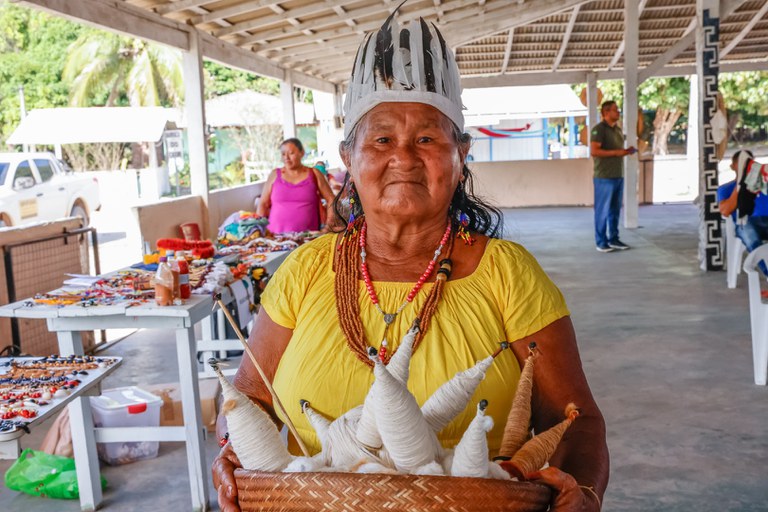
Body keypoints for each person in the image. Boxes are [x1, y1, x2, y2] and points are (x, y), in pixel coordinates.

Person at [213, 10, 607, 512]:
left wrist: (585, 492)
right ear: (349, 158)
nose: (403, 156)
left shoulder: (508, 273)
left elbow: (576, 420)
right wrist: (232, 449)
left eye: (427, 138)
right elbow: (252, 401)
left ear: (460, 155)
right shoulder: (306, 270)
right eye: (381, 139)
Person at [256, 138, 336, 233]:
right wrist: (257, 230)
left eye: (291, 153)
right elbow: (263, 204)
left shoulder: (314, 174)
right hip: (275, 239)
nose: (286, 157)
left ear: (301, 153)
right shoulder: (274, 175)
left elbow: (331, 199)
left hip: (307, 239)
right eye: (283, 154)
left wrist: (328, 226)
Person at [590, 100, 636, 253]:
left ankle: (614, 238)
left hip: (617, 174)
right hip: (604, 176)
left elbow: (618, 150)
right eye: (615, 110)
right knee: (602, 210)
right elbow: (595, 151)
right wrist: (618, 153)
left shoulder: (617, 130)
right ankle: (601, 241)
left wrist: (625, 151)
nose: (618, 112)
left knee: (614, 210)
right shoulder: (598, 130)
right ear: (606, 112)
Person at [718, 149, 768, 275]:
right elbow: (725, 211)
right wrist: (741, 185)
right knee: (750, 235)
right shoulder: (726, 188)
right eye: (741, 164)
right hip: (746, 222)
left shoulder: (764, 182)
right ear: (732, 166)